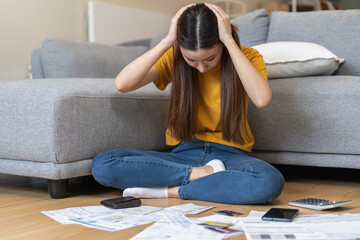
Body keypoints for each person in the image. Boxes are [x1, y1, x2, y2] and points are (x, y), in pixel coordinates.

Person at [91, 3, 284, 204]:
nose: (201, 68)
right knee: (103, 165)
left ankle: (171, 191)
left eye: (210, 58)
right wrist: (167, 41)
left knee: (269, 181)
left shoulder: (248, 57)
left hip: (231, 156)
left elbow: (262, 99)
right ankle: (199, 175)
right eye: (191, 60)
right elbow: (122, 84)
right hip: (183, 154)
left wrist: (228, 40)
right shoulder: (174, 57)